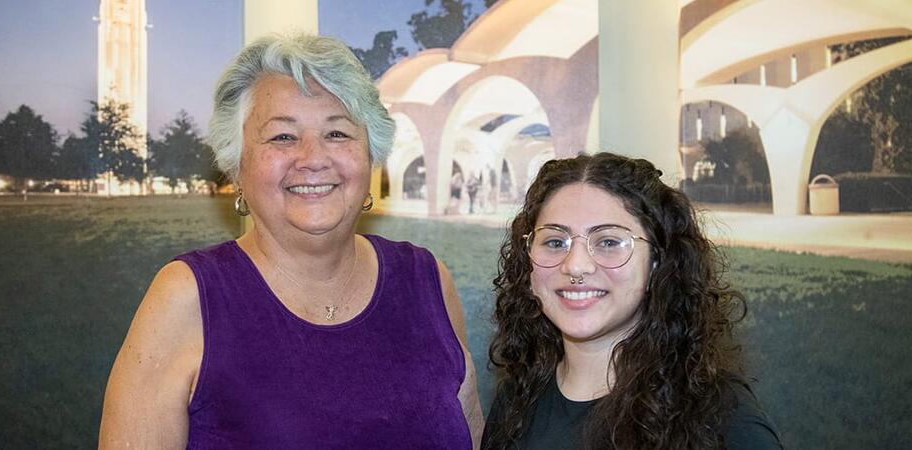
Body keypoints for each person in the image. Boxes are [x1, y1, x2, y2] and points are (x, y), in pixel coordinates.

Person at [99, 33, 482, 449]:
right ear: (236, 167)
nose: (313, 158)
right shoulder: (188, 296)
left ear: (371, 156)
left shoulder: (426, 282)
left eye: (337, 133)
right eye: (282, 136)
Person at [482, 153, 781, 449]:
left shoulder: (723, 422)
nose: (575, 265)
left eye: (609, 242)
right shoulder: (515, 402)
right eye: (555, 242)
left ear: (657, 262)